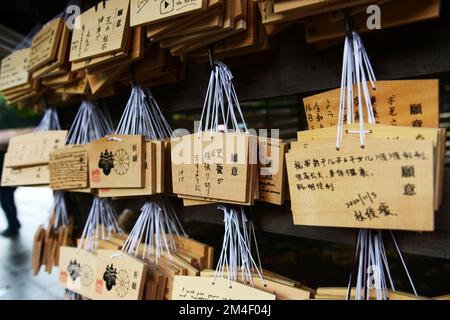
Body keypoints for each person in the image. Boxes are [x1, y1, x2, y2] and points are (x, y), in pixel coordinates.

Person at [0, 135, 20, 238]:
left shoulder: (2, 155)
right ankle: (15, 224)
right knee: (9, 204)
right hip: (7, 183)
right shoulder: (5, 154)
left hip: (5, 184)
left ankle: (12, 227)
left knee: (6, 204)